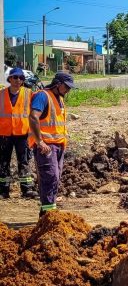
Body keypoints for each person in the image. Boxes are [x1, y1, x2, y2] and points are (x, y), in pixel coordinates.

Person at [28, 71, 75, 216]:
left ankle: (48, 210)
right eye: (66, 87)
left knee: (55, 178)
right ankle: (47, 214)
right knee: (50, 176)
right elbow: (33, 117)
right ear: (58, 84)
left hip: (59, 144)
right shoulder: (43, 96)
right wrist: (39, 141)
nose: (68, 90)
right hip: (46, 146)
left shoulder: (59, 98)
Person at [0, 68, 37, 198]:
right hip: (4, 134)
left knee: (24, 161)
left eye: (21, 78)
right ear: (9, 79)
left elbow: (35, 113)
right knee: (3, 162)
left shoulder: (29, 93)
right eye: (15, 77)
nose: (18, 80)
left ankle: (26, 190)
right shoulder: (1, 94)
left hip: (22, 134)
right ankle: (3, 191)